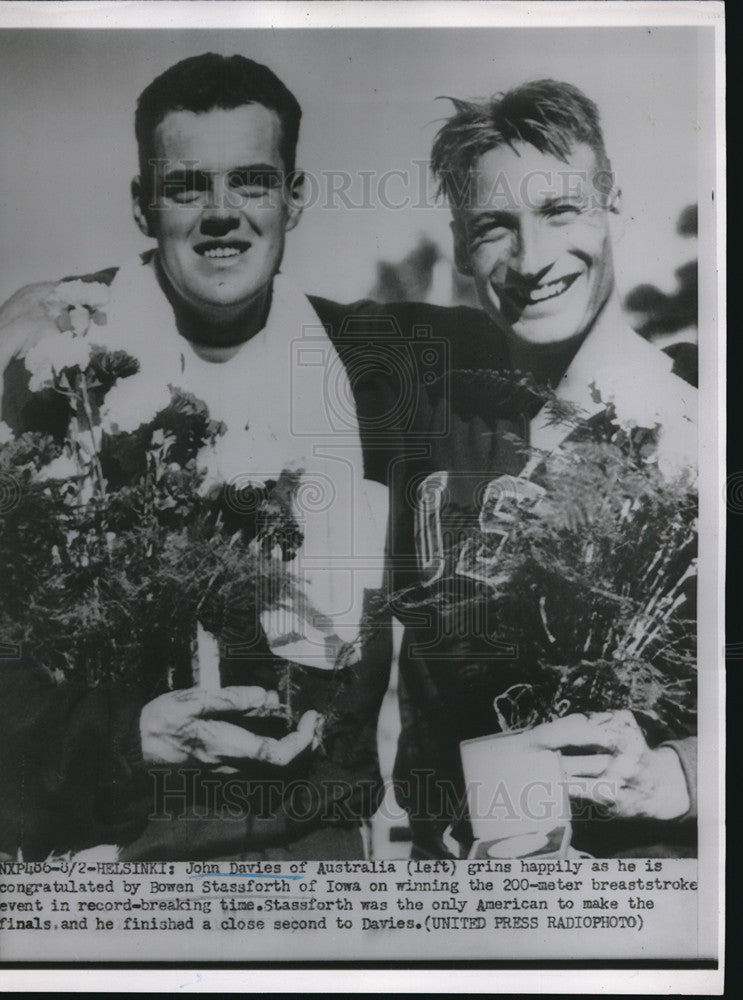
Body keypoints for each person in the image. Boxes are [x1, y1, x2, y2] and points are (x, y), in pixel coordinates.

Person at [0, 52, 500, 862]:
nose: (222, 214)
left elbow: (539, 345)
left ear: (294, 197)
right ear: (142, 204)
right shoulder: (51, 373)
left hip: (315, 862)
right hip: (107, 854)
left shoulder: (380, 365)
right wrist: (123, 736)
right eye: (187, 186)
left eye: (253, 182)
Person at [388, 79, 698, 859]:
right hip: (456, 902)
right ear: (461, 245)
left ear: (611, 206)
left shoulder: (695, 430)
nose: (530, 258)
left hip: (637, 900)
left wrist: (678, 773)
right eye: (495, 226)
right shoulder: (440, 431)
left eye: (559, 210)